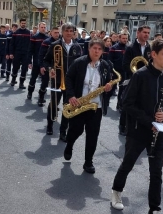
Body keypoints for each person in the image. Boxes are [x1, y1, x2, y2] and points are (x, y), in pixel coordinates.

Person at [111, 39, 163, 214]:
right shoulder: (140, 75)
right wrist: (149, 121)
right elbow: (126, 103)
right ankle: (116, 191)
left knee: (156, 173)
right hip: (139, 130)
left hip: (159, 132)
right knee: (128, 163)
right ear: (153, 55)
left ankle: (154, 213)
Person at [63, 38, 113, 174]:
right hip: (79, 103)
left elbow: (109, 82)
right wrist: (71, 96)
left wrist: (109, 87)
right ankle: (69, 144)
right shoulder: (79, 63)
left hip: (96, 106)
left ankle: (88, 162)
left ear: (102, 51)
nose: (96, 51)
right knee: (76, 130)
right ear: (89, 49)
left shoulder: (105, 66)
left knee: (93, 135)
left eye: (99, 49)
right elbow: (68, 78)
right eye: (94, 48)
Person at [43, 22, 82, 141]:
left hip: (71, 83)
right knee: (53, 104)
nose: (69, 33)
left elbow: (81, 63)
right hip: (57, 80)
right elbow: (46, 60)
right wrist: (51, 69)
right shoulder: (55, 45)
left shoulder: (77, 47)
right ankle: (50, 125)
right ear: (62, 32)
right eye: (67, 31)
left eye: (71, 31)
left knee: (67, 106)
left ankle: (63, 131)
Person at [120, 25, 151, 136]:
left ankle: (138, 125)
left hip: (145, 81)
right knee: (128, 103)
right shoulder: (130, 47)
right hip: (131, 79)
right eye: (144, 32)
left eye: (148, 33)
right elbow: (124, 65)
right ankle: (122, 126)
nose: (146, 35)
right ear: (138, 33)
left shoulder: (150, 48)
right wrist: (136, 73)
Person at [36, 26, 60, 107]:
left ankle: (54, 104)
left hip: (57, 67)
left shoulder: (61, 42)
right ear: (51, 33)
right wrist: (41, 66)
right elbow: (41, 55)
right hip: (48, 66)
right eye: (55, 33)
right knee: (45, 83)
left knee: (56, 86)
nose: (57, 34)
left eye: (58, 32)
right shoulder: (46, 42)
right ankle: (41, 97)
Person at [27, 22, 49, 99]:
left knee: (45, 81)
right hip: (36, 62)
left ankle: (41, 96)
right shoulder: (34, 37)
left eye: (44, 27)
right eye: (42, 27)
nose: (43, 29)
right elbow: (30, 50)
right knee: (33, 79)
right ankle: (30, 92)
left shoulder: (48, 38)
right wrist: (29, 62)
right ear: (39, 28)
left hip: (45, 63)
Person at [109, 31, 128, 110]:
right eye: (123, 38)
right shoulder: (114, 48)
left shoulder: (128, 48)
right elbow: (110, 60)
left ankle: (119, 104)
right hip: (115, 71)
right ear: (119, 38)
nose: (125, 40)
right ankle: (106, 101)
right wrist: (111, 71)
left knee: (122, 89)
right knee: (111, 88)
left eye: (126, 38)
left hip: (124, 72)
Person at [9, 18, 31, 89]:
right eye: (22, 23)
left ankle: (21, 83)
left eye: (24, 23)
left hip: (25, 53)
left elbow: (30, 44)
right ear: (20, 23)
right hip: (17, 53)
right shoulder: (16, 33)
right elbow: (12, 44)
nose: (23, 24)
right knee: (15, 67)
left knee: (24, 69)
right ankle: (13, 80)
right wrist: (11, 53)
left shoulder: (28, 33)